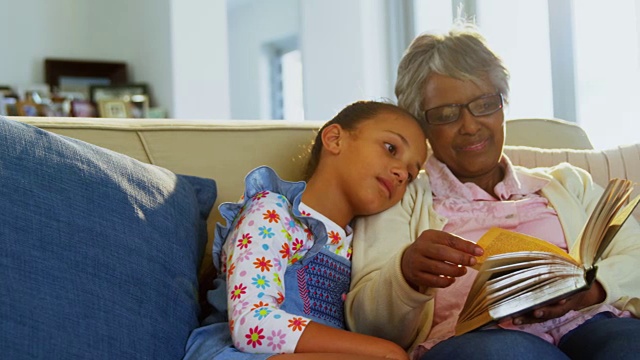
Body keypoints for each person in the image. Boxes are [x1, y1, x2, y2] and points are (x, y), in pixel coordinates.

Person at [345, 22, 640, 360]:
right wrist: (405, 274)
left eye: (485, 104)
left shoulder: (568, 183)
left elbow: (636, 254)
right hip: (479, 340)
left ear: (503, 106)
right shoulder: (400, 195)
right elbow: (364, 322)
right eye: (446, 114)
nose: (470, 126)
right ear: (421, 125)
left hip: (592, 321)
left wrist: (590, 289)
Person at [184, 100, 429, 359]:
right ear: (335, 139)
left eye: (411, 175)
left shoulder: (359, 247)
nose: (402, 173)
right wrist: (384, 351)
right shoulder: (272, 210)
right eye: (391, 148)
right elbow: (253, 326)